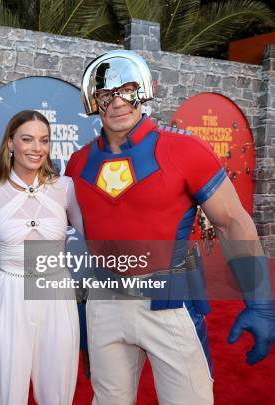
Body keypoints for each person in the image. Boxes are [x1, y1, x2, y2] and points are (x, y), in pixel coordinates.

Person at [65, 49, 275, 405]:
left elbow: (233, 222)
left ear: (144, 90)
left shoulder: (184, 149)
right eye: (106, 93)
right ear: (93, 100)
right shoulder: (78, 163)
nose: (116, 102)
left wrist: (260, 303)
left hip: (169, 304)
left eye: (126, 90)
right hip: (104, 304)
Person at [0, 110, 84, 404]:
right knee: (7, 388)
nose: (37, 148)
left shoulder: (65, 188)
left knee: (58, 389)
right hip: (9, 293)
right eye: (27, 139)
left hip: (56, 292)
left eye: (44, 140)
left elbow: (97, 236)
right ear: (10, 143)